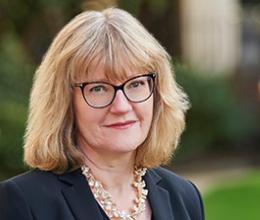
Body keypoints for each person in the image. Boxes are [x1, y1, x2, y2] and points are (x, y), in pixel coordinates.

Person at [0, 7, 204, 220]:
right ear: (65, 102)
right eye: (98, 88)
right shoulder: (23, 202)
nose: (122, 106)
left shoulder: (184, 197)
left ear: (158, 93)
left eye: (136, 84)